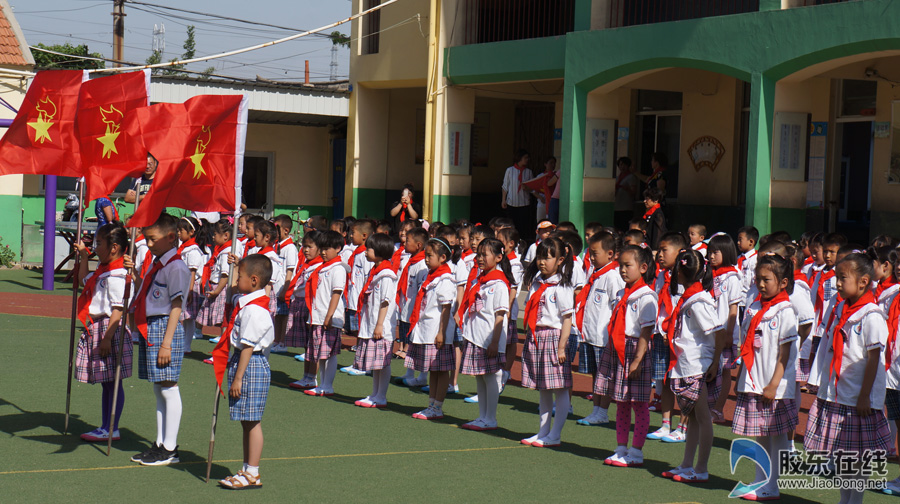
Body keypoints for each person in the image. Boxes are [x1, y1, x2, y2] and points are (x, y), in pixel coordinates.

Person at [805, 252, 891, 504]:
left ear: (863, 282)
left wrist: (864, 396)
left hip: (858, 397)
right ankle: (845, 500)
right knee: (842, 454)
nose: (838, 283)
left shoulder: (872, 316)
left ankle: (856, 500)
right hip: (837, 391)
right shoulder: (841, 308)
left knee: (858, 456)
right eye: (836, 278)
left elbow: (874, 359)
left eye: (843, 278)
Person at [127, 212, 190, 466]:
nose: (148, 244)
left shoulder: (176, 267)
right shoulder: (157, 264)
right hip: (151, 326)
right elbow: (152, 294)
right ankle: (161, 442)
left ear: (171, 237)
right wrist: (135, 276)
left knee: (169, 386)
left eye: (152, 239)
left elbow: (176, 305)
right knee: (159, 387)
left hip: (165, 327)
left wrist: (167, 342)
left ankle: (171, 447)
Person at [663, 249, 723, 483]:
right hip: (689, 364)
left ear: (681, 271)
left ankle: (701, 468)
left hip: (697, 365)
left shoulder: (699, 301)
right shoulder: (691, 297)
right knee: (695, 417)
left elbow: (718, 332)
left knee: (702, 416)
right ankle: (688, 464)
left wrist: (714, 362)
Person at [596, 244, 658, 467]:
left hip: (634, 350)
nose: (622, 270)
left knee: (639, 403)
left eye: (627, 265)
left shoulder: (647, 296)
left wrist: (638, 360)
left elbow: (646, 331)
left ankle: (636, 451)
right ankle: (621, 448)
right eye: (621, 265)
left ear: (642, 267)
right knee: (621, 402)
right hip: (618, 347)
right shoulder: (622, 293)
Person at [217, 254, 274, 490]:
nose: (236, 279)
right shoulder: (248, 303)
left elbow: (248, 345)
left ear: (253, 280)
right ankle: (247, 468)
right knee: (246, 421)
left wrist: (238, 377)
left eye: (239, 276)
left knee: (252, 422)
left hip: (249, 365)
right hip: (243, 361)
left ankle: (253, 472)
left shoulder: (254, 310)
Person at [73, 223, 132, 443]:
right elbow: (82, 281)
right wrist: (84, 257)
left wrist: (107, 337)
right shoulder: (103, 271)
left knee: (113, 381)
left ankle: (112, 427)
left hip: (110, 328)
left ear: (114, 247)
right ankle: (106, 425)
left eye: (99, 244)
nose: (96, 247)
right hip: (101, 327)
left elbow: (118, 308)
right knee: (107, 382)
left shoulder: (118, 275)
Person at [520, 236, 575, 448]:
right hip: (537, 336)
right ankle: (543, 431)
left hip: (554, 338)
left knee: (559, 388)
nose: (542, 262)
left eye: (548, 257)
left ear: (560, 260)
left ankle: (555, 434)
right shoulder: (537, 283)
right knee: (543, 388)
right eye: (540, 257)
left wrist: (562, 346)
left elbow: (567, 319)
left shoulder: (561, 286)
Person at [458, 237, 512, 431]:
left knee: (490, 377)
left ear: (498, 257)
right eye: (478, 254)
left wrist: (495, 342)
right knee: (480, 377)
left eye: (485, 255)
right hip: (475, 335)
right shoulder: (479, 279)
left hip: (489, 338)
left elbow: (500, 315)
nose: (480, 258)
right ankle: (481, 416)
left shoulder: (499, 284)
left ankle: (490, 418)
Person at [405, 237, 456, 420]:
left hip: (436, 331)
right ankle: (431, 404)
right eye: (425, 255)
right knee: (433, 370)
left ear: (443, 257)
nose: (426, 259)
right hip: (427, 329)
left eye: (430, 255)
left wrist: (441, 332)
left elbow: (446, 307)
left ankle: (437, 406)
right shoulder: (430, 276)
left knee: (441, 370)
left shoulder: (446, 279)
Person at [576, 231, 622, 426]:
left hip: (604, 337)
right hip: (590, 335)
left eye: (596, 253)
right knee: (596, 375)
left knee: (606, 376)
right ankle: (596, 410)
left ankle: (603, 410)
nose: (592, 258)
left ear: (610, 254)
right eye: (591, 254)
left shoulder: (613, 277)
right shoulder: (594, 274)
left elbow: (617, 307)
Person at [648, 232, 687, 443]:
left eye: (664, 250)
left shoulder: (686, 275)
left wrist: (673, 332)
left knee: (681, 382)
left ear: (679, 252)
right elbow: (658, 302)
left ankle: (682, 426)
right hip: (660, 334)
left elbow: (682, 307)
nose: (660, 254)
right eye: (659, 250)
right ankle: (665, 424)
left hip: (678, 337)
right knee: (664, 380)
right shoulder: (661, 275)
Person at [353, 233, 398, 408]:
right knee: (376, 364)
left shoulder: (386, 274)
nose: (365, 251)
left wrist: (380, 324)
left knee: (382, 363)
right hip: (371, 322)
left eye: (369, 248)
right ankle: (375, 394)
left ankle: (381, 395)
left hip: (380, 326)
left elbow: (385, 301)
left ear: (380, 251)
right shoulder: (376, 271)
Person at [303, 230, 346, 397]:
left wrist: (329, 315)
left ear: (338, 248)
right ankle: (322, 384)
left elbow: (337, 293)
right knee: (320, 354)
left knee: (329, 353)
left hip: (329, 317)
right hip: (318, 316)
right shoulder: (322, 268)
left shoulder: (338, 269)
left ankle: (328, 385)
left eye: (327, 248)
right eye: (321, 248)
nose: (322, 252)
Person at [707, 233, 742, 423]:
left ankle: (719, 409)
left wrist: (729, 333)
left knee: (725, 370)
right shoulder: (708, 274)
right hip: (709, 331)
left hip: (725, 331)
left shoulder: (732, 277)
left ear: (727, 253)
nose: (711, 256)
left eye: (716, 252)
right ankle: (708, 404)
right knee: (710, 367)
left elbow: (733, 307)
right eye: (710, 252)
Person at [286, 231, 323, 390]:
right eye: (304, 246)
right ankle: (306, 376)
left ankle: (312, 377)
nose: (306, 250)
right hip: (300, 303)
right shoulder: (306, 264)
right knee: (306, 345)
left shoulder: (319, 266)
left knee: (313, 344)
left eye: (310, 247)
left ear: (320, 249)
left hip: (310, 305)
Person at [395, 227, 430, 385]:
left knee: (419, 344)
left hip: (416, 311)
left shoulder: (422, 265)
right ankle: (409, 373)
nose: (404, 242)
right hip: (407, 308)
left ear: (418, 245)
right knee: (409, 343)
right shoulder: (411, 261)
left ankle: (422, 376)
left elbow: (421, 291)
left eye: (408, 240)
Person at [341, 220, 374, 376]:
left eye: (353, 233)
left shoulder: (367, 255)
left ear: (364, 236)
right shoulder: (356, 253)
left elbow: (368, 279)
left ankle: (364, 363)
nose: (350, 235)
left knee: (362, 332)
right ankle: (358, 361)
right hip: (353, 300)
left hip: (361, 301)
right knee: (356, 331)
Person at [198, 220, 233, 356]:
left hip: (220, 290)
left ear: (225, 236)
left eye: (215, 234)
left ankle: (224, 353)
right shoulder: (222, 251)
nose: (212, 237)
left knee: (223, 321)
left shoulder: (226, 253)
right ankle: (221, 350)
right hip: (217, 288)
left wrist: (217, 291)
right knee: (220, 322)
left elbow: (225, 275)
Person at [271, 215, 299, 355]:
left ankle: (282, 342)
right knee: (277, 316)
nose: (274, 232)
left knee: (283, 316)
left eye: (277, 228)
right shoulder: (277, 246)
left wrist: (285, 290)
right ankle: (276, 340)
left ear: (286, 230)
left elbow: (290, 270)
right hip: (276, 288)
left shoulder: (290, 248)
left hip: (284, 288)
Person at [176, 217, 204, 353]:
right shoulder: (184, 248)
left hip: (189, 286)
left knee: (189, 317)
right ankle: (183, 342)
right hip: (182, 285)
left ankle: (187, 344)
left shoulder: (193, 250)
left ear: (191, 232)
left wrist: (190, 290)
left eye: (181, 230)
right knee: (183, 317)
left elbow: (192, 272)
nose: (178, 233)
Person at [501, 149, 535, 240]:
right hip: (512, 203)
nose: (527, 159)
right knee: (511, 226)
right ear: (520, 158)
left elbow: (532, 188)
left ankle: (522, 243)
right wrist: (503, 200)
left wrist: (527, 188)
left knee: (523, 227)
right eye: (525, 158)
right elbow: (505, 186)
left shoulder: (528, 172)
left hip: (524, 203)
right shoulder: (509, 170)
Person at [613, 157, 639, 231]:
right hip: (617, 207)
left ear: (628, 166)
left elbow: (634, 192)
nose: (622, 167)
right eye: (620, 165)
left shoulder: (631, 177)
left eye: (624, 165)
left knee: (625, 228)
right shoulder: (618, 178)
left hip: (626, 208)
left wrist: (626, 188)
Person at [531, 156, 558, 222]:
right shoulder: (540, 176)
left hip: (552, 203)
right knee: (540, 222)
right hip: (542, 203)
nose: (553, 165)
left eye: (554, 163)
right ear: (545, 164)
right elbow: (533, 190)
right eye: (551, 163)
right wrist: (540, 197)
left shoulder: (556, 175)